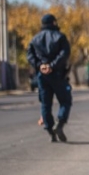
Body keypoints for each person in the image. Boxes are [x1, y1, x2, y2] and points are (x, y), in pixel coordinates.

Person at [27, 14, 72, 143]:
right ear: (54, 23)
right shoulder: (60, 37)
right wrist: (52, 66)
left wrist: (40, 66)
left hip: (42, 75)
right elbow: (65, 53)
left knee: (45, 103)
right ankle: (60, 123)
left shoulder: (35, 39)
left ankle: (50, 131)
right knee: (65, 100)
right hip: (57, 74)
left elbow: (29, 55)